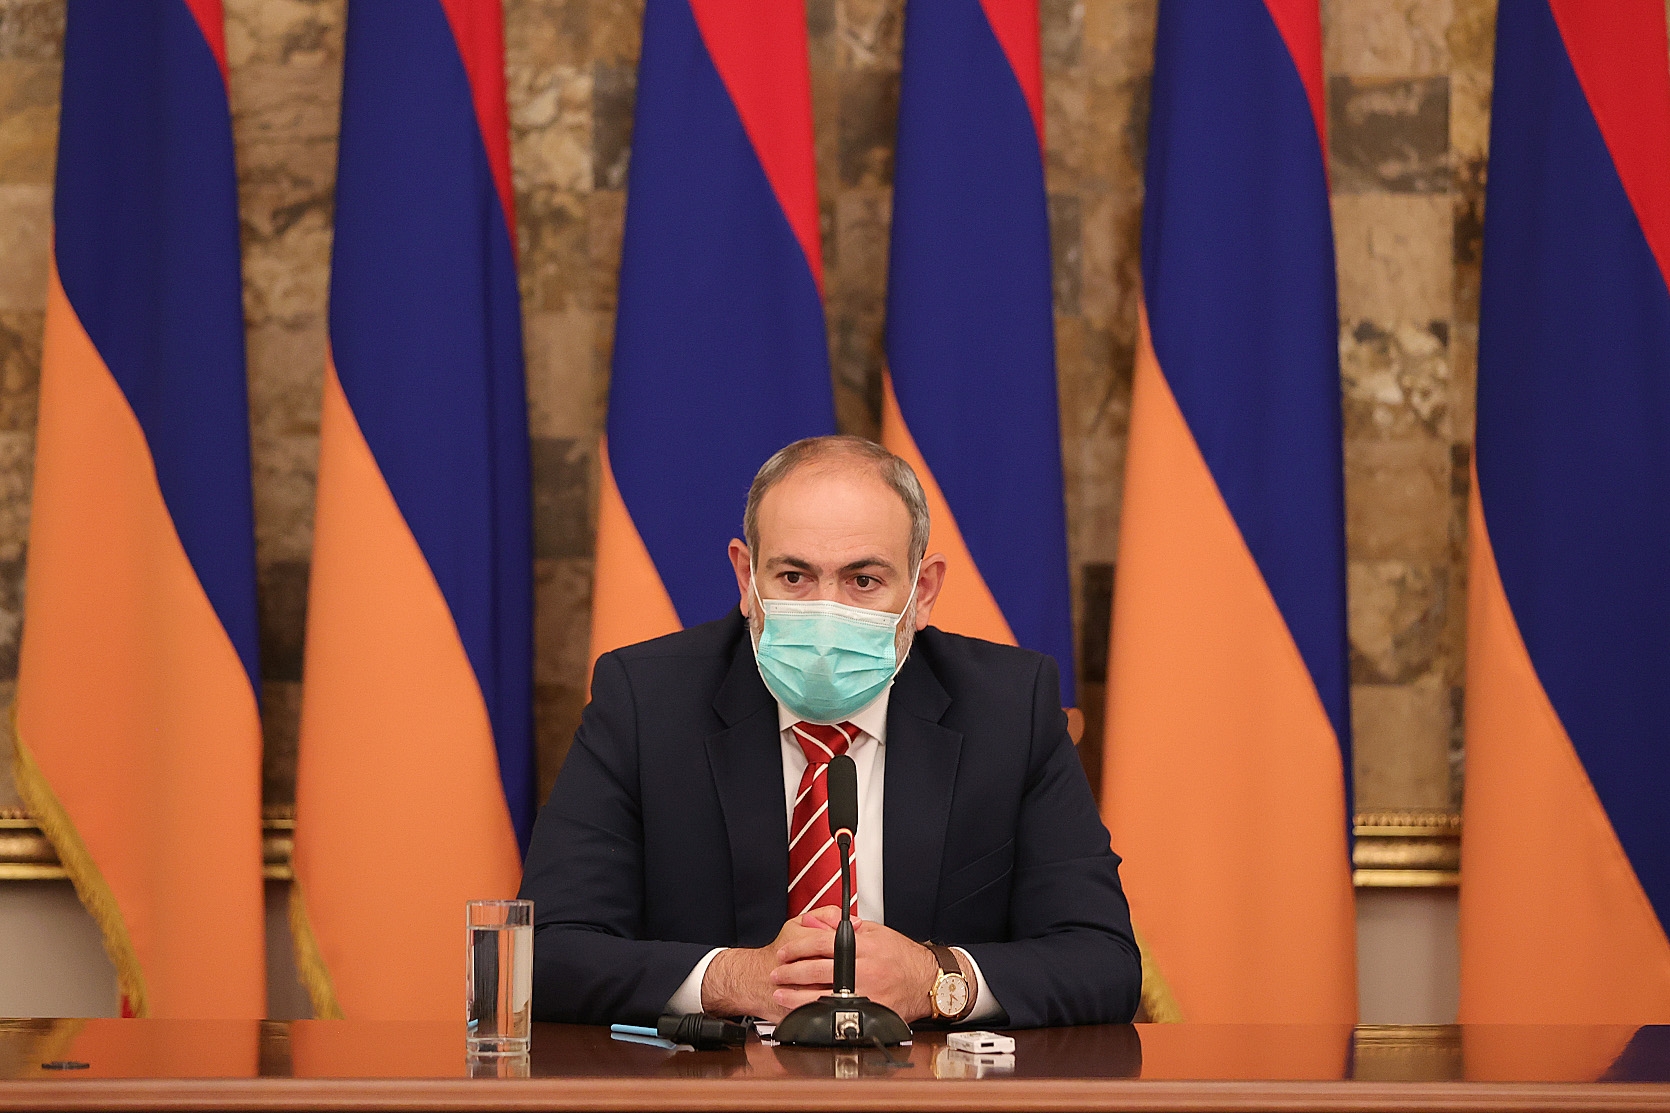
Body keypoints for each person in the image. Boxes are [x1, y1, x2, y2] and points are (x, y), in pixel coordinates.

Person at [521, 436, 1141, 1027]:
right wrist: (735, 980)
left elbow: (1103, 959)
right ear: (746, 579)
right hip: (720, 1084)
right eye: (794, 578)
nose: (826, 611)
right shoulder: (645, 701)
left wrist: (934, 980)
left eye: (863, 581)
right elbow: (546, 949)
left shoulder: (1008, 707)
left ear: (922, 591)